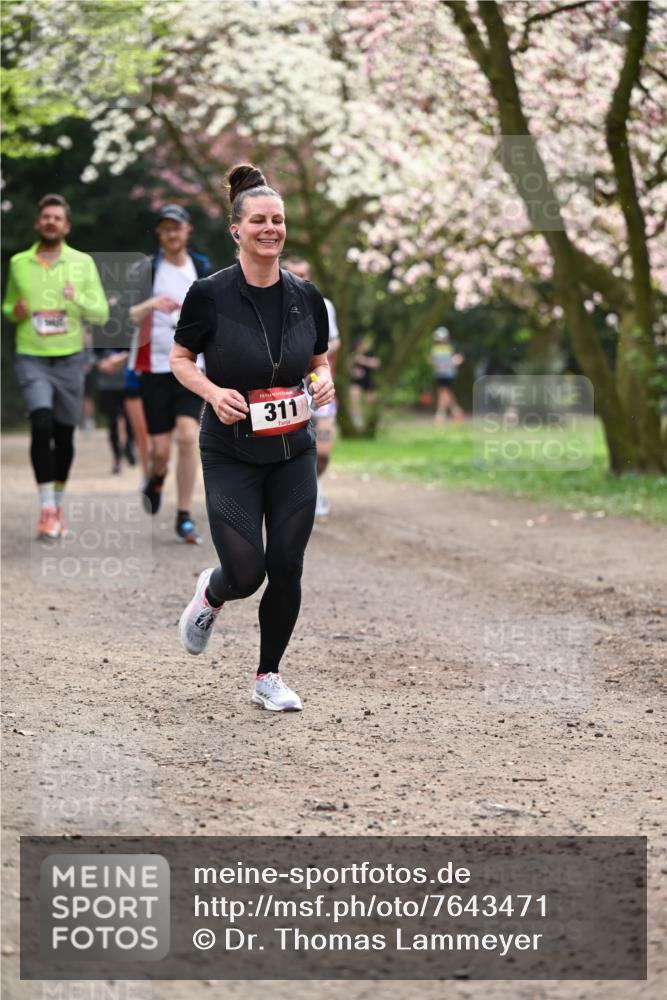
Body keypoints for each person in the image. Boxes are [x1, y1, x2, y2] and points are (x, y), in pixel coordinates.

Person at [170, 163, 334, 712]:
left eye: (279, 220)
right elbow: (180, 359)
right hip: (231, 450)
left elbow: (317, 360)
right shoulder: (209, 295)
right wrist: (213, 392)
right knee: (247, 571)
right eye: (259, 220)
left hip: (293, 449)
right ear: (237, 230)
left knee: (287, 562)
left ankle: (269, 675)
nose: (271, 228)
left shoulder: (306, 295)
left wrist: (324, 378)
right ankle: (211, 595)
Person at [2, 193, 109, 539]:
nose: (50, 222)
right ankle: (47, 509)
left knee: (64, 435)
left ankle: (56, 504)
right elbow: (7, 306)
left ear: (66, 226)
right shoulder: (19, 262)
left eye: (56, 218)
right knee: (41, 420)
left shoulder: (82, 263)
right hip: (31, 355)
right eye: (45, 217)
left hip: (70, 359)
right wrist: (12, 312)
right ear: (38, 223)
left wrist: (73, 298)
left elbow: (102, 313)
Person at [127, 204, 211, 544]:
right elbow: (126, 316)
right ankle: (156, 478)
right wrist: (152, 304)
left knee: (189, 436)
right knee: (160, 450)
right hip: (155, 366)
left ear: (188, 231)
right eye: (165, 229)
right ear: (159, 234)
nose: (172, 234)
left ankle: (184, 515)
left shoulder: (201, 267)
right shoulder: (146, 269)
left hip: (192, 365)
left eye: (177, 228)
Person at [282, 256, 340, 518]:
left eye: (305, 274)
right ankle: (297, 492)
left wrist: (316, 352)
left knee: (324, 453)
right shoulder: (273, 303)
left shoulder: (323, 304)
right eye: (294, 274)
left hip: (319, 386)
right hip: (287, 390)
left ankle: (313, 483)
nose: (301, 280)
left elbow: (335, 342)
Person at [430, 326, 464, 424]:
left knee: (443, 393)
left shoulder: (451, 347)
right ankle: (456, 412)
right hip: (439, 374)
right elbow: (432, 359)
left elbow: (459, 358)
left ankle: (440, 414)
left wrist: (455, 361)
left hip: (448, 374)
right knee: (446, 393)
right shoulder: (435, 348)